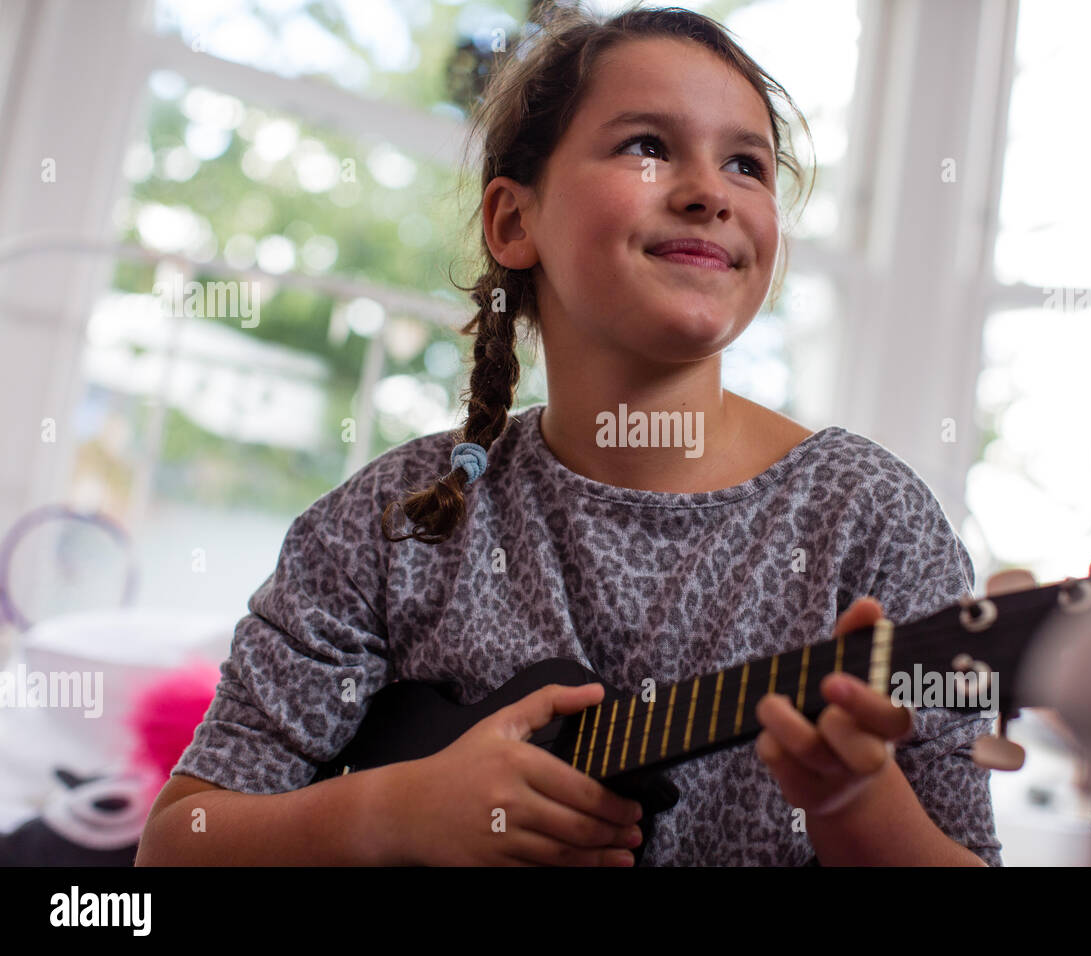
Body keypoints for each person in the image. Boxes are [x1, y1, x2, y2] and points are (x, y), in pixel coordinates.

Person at [136, 2, 1001, 867]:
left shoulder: (872, 520)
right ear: (514, 222)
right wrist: (394, 813)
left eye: (748, 164)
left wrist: (854, 802)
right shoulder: (393, 522)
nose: (708, 191)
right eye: (647, 146)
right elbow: (178, 844)